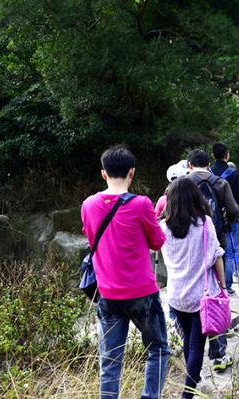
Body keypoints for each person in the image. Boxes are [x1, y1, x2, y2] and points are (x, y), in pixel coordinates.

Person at [81, 145, 170, 399]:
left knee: (109, 361)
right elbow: (158, 242)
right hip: (142, 293)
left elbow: (90, 238)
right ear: (132, 173)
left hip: (108, 294)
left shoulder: (88, 205)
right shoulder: (142, 204)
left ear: (103, 173)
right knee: (158, 349)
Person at [159, 177, 226, 399]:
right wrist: (223, 287)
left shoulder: (163, 227)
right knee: (197, 346)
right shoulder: (205, 223)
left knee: (189, 340)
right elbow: (217, 256)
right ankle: (187, 394)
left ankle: (192, 385)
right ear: (195, 197)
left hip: (177, 295)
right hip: (202, 295)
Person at [186, 149, 238, 372]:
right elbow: (233, 209)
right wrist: (229, 221)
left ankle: (190, 355)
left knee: (191, 300)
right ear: (208, 164)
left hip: (187, 244)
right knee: (215, 297)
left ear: (189, 164)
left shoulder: (182, 183)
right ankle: (218, 355)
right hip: (214, 239)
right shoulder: (220, 182)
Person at [211, 143, 239, 295]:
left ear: (213, 156)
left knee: (215, 252)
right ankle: (227, 285)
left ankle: (215, 285)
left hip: (213, 219)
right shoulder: (233, 174)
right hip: (232, 219)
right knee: (230, 252)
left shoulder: (209, 173)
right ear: (227, 155)